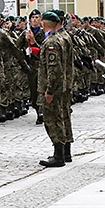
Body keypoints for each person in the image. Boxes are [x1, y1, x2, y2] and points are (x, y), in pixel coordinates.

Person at [36, 10, 73, 167]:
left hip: (55, 87)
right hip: (63, 85)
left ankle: (58, 155)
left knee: (53, 119)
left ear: (44, 23)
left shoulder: (52, 42)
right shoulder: (61, 37)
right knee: (62, 117)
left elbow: (53, 69)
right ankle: (65, 152)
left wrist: (49, 90)